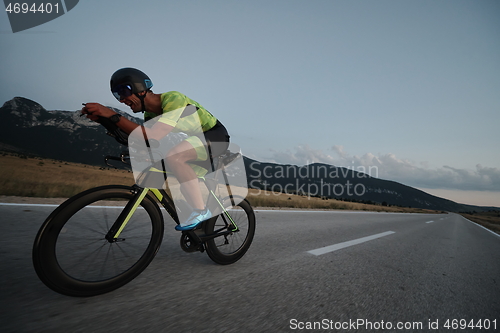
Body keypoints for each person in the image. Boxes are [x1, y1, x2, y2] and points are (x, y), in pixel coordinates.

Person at [81, 67, 230, 231]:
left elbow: (152, 135)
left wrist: (111, 114)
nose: (121, 99)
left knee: (175, 157)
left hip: (215, 136)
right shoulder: (150, 116)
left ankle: (201, 211)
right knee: (173, 173)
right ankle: (196, 216)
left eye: (123, 92)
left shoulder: (173, 98)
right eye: (117, 95)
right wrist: (105, 120)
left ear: (140, 89)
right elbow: (143, 140)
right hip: (192, 141)